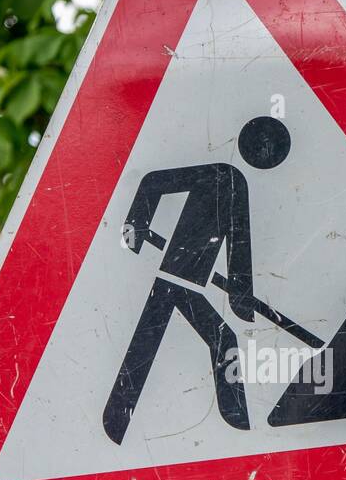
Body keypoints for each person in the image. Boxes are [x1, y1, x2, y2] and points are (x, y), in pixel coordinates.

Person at [103, 116, 291, 445]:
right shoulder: (220, 173)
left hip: (186, 284)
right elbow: (152, 181)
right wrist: (135, 224)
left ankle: (116, 419)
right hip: (172, 279)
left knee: (169, 341)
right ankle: (237, 426)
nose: (266, 155)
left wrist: (240, 297)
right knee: (214, 341)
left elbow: (238, 249)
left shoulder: (236, 183)